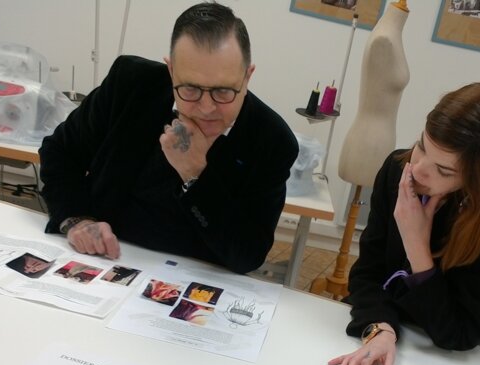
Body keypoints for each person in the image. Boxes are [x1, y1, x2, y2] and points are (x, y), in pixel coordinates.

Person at [39, 3, 298, 274]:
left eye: (223, 92)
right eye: (190, 89)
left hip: (194, 280)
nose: (206, 108)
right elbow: (59, 152)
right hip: (104, 261)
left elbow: (248, 253)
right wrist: (77, 220)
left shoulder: (272, 140)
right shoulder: (130, 84)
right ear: (171, 70)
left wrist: (194, 173)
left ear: (247, 76)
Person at [328, 82, 480, 365]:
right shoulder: (397, 170)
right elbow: (367, 274)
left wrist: (416, 245)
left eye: (444, 171)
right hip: (394, 346)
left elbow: (457, 334)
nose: (418, 170)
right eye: (422, 146)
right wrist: (381, 328)